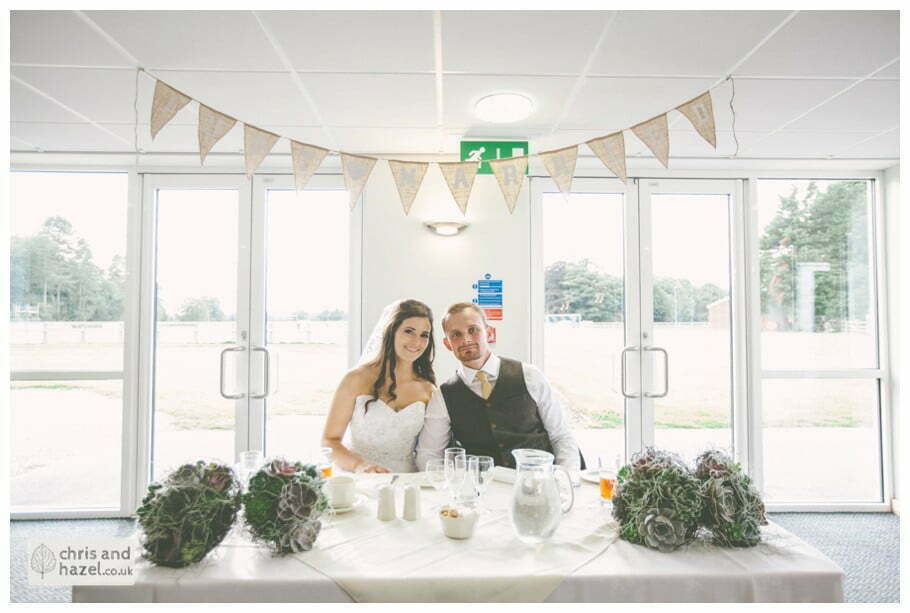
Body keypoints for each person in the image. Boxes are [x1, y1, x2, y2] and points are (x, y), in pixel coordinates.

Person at [416, 302, 581, 471]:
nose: (466, 339)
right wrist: (449, 486)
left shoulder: (530, 375)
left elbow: (561, 436)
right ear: (448, 344)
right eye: (456, 334)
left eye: (473, 330)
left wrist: (565, 480)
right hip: (482, 489)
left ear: (489, 332)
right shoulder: (443, 395)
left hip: (537, 483)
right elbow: (428, 454)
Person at [321, 299, 445, 473]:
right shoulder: (355, 379)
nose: (417, 342)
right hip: (360, 477)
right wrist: (360, 466)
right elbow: (329, 440)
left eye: (424, 335)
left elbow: (431, 450)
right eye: (409, 331)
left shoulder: (428, 390)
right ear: (390, 331)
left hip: (407, 480)